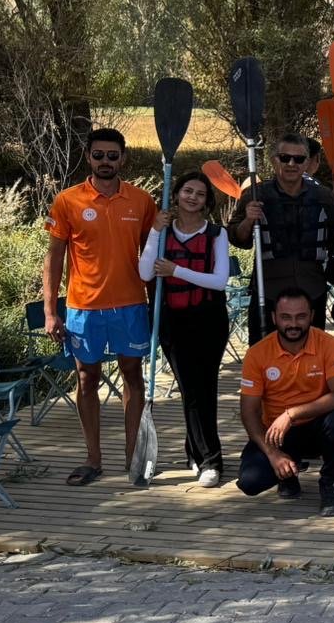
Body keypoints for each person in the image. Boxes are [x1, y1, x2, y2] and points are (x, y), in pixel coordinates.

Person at [43, 128, 156, 487]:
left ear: (123, 158)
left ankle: (133, 457)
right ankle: (93, 458)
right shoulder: (67, 201)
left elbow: (152, 256)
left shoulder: (141, 200)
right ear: (88, 157)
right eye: (98, 155)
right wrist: (50, 312)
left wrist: (157, 304)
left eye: (112, 155)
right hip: (84, 307)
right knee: (85, 378)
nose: (105, 161)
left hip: (130, 305)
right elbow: (53, 258)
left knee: (132, 376)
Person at [138, 171, 231, 488]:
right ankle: (196, 452)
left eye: (200, 194)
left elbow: (219, 280)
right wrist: (154, 231)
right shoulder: (162, 232)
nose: (193, 197)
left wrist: (176, 269)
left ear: (207, 201)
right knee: (190, 388)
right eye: (187, 191)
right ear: (176, 194)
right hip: (172, 320)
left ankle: (211, 461)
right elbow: (144, 272)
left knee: (202, 388)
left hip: (208, 319)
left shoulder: (216, 234)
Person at [236, 288, 334, 516]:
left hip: (317, 427)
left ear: (311, 316)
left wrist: (290, 414)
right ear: (274, 318)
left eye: (300, 316)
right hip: (276, 433)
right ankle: (287, 473)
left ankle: (331, 483)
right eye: (285, 317)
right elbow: (248, 413)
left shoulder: (330, 344)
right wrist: (273, 454)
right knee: (250, 481)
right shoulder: (257, 353)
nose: (293, 324)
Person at [228, 132, 334, 340]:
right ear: (274, 160)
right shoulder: (256, 194)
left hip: (312, 290)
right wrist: (249, 220)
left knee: (311, 354)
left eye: (299, 159)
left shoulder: (324, 197)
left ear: (307, 163)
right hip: (268, 292)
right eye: (285, 158)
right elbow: (237, 238)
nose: (291, 164)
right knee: (264, 353)